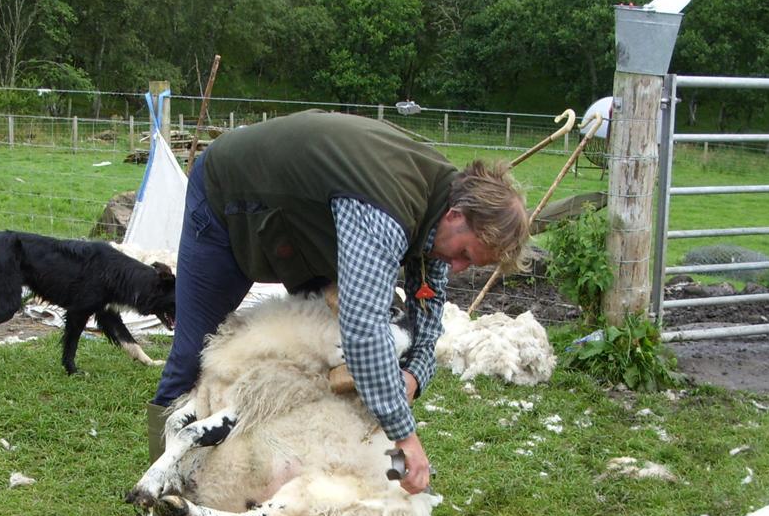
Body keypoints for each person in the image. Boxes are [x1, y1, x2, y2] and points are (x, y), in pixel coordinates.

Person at [151, 110, 529, 495]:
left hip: (304, 226)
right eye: (464, 254)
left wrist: (413, 377)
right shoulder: (385, 211)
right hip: (230, 196)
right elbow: (363, 330)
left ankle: (302, 476)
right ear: (456, 215)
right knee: (193, 353)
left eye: (471, 264)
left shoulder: (438, 210)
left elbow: (427, 323)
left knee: (364, 362)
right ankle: (161, 489)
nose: (458, 268)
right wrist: (406, 436)